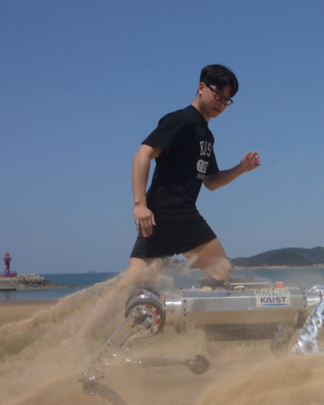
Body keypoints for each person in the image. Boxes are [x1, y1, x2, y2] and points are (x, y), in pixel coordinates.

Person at [68, 64, 259, 347]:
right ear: (201, 87)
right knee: (220, 271)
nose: (221, 103)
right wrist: (138, 204)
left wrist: (241, 169)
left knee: (130, 285)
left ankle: (77, 342)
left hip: (159, 217)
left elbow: (211, 181)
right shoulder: (180, 120)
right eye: (218, 95)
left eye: (227, 100)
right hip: (174, 210)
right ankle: (217, 348)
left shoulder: (206, 135)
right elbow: (142, 155)